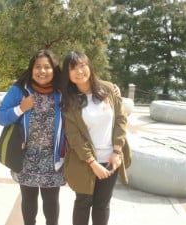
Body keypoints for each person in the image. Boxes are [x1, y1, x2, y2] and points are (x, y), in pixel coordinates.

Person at [60, 50, 131, 225]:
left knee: (102, 205)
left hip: (111, 159)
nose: (79, 71)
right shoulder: (69, 100)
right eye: (73, 68)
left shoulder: (107, 89)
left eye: (82, 65)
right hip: (84, 161)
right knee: (83, 203)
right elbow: (74, 136)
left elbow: (121, 119)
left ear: (89, 66)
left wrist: (116, 151)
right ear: (68, 74)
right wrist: (93, 163)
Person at [0, 49, 65, 225]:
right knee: (28, 200)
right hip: (26, 157)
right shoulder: (20, 90)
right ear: (31, 69)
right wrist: (21, 109)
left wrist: (110, 89)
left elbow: (85, 82)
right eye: (38, 67)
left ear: (54, 69)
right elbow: (0, 117)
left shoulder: (62, 91)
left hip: (53, 159)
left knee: (51, 201)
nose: (42, 71)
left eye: (47, 67)